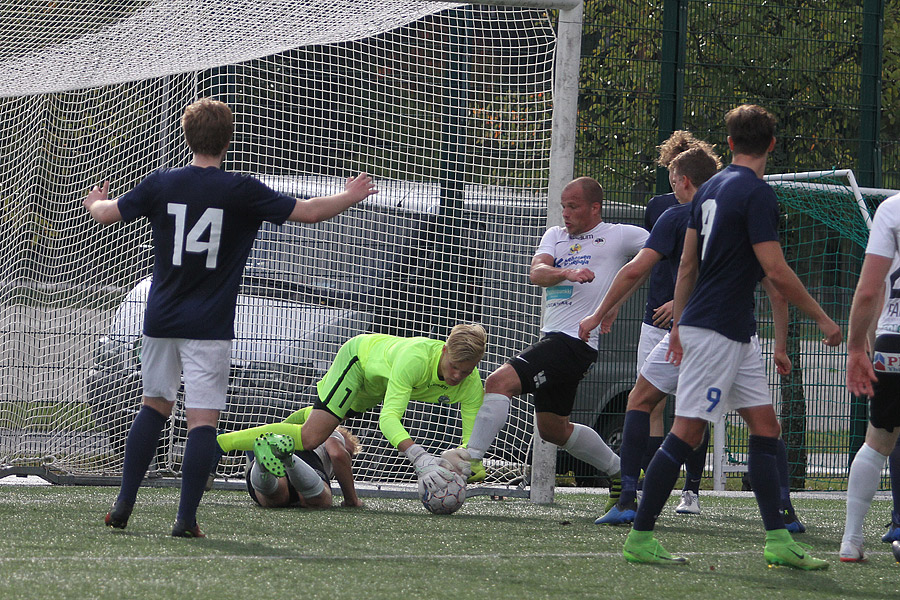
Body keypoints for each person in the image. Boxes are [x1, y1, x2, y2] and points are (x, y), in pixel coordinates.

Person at [85, 97, 378, 537]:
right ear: (228, 139)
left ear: (187, 136)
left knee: (154, 405)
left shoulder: (161, 183)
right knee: (202, 422)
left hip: (160, 318)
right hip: (209, 325)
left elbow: (107, 214)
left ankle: (123, 505)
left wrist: (95, 203)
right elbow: (311, 212)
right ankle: (185, 520)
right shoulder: (242, 188)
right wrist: (351, 195)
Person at [621, 104, 841, 569]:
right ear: (772, 146)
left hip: (729, 331)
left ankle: (778, 540)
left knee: (766, 426)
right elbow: (776, 270)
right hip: (717, 330)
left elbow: (686, 266)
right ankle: (640, 536)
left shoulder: (709, 190)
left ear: (729, 145)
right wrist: (822, 318)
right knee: (686, 431)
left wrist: (679, 325)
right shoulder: (757, 194)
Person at [463, 176, 649, 507]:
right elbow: (537, 273)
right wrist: (566, 273)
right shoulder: (555, 236)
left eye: (573, 206)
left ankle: (472, 460)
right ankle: (621, 472)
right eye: (563, 205)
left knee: (498, 381)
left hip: (576, 341)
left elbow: (656, 253)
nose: (565, 212)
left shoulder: (618, 236)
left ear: (595, 207)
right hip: (555, 338)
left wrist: (616, 302)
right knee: (553, 429)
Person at [216, 324, 487, 494]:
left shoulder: (472, 385)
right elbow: (389, 420)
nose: (457, 376)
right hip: (359, 362)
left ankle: (276, 451)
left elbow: (471, 445)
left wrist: (465, 467)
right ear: (443, 351)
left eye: (466, 370)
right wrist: (420, 458)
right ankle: (218, 446)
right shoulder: (415, 359)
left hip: (376, 385)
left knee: (313, 427)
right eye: (453, 366)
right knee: (312, 438)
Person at [637, 133, 720, 491]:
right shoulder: (660, 208)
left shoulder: (714, 208)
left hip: (695, 319)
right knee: (648, 402)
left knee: (692, 408)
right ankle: (650, 483)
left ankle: (692, 488)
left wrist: (681, 302)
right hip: (655, 319)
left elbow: (698, 266)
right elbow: (653, 259)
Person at [840, 191, 900, 562]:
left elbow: (867, 292)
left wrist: (856, 348)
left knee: (877, 441)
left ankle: (851, 540)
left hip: (894, 340)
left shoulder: (892, 209)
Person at [245, 425, 363, 509]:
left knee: (275, 499)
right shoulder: (329, 431)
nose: (349, 458)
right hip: (303, 453)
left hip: (265, 465)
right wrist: (352, 500)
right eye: (350, 453)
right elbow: (338, 454)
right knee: (319, 501)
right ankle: (289, 459)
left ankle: (262, 465)